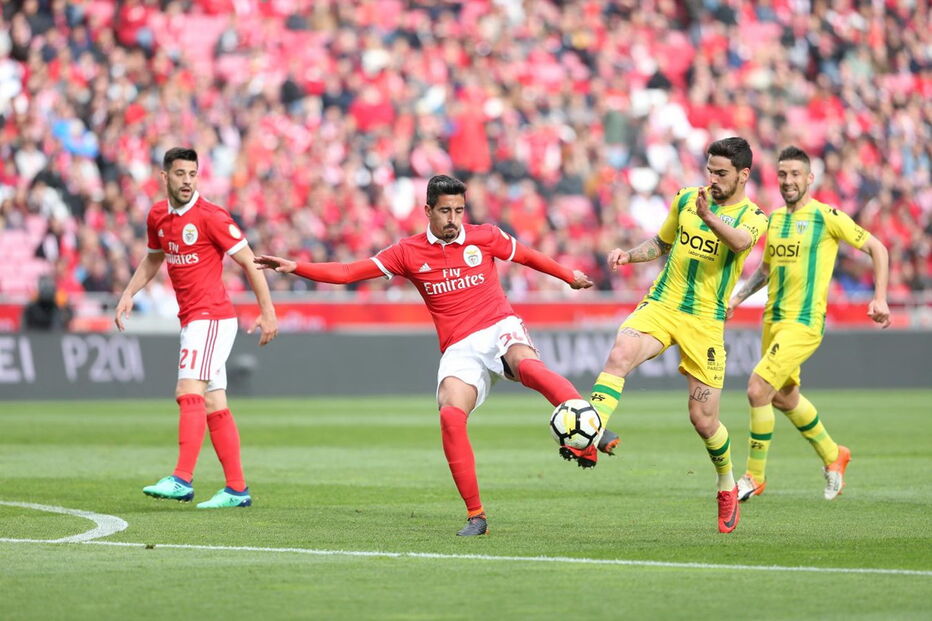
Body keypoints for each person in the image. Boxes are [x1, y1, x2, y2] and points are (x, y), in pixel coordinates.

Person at [254, 174, 617, 536]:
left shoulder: (485, 236)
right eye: (445, 211)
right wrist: (296, 266)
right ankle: (477, 516)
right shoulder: (407, 252)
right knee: (449, 415)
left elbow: (526, 255)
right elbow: (349, 271)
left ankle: (593, 429)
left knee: (527, 365)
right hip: (460, 347)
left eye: (459, 210)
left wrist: (567, 275)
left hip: (498, 325)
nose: (453, 219)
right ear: (428, 211)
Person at [584, 137, 768, 533]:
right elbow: (661, 242)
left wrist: (709, 217)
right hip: (663, 304)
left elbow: (740, 243)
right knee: (620, 352)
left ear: (743, 175)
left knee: (703, 419)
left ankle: (726, 485)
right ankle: (589, 433)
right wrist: (629, 255)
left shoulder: (754, 216)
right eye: (710, 170)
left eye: (721, 173)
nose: (713, 179)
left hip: (705, 322)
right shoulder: (687, 198)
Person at [114, 147, 278, 509]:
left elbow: (250, 262)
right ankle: (237, 489)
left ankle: (182, 479)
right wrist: (128, 293)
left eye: (192, 174)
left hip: (211, 318)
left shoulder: (211, 216)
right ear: (165, 177)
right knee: (214, 401)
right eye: (180, 174)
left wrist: (268, 311)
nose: (187, 181)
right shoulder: (158, 215)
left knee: (188, 390)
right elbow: (154, 258)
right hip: (192, 318)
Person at [727, 146, 890, 502]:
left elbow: (878, 248)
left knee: (757, 389)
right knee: (784, 398)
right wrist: (737, 299)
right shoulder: (775, 220)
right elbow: (766, 270)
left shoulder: (826, 217)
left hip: (804, 323)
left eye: (795, 174)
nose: (788, 181)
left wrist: (879, 297)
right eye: (783, 174)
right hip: (772, 320)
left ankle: (754, 476)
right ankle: (834, 455)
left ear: (809, 178)